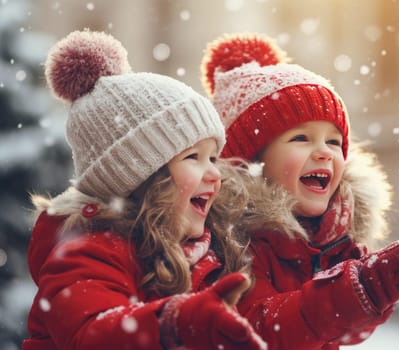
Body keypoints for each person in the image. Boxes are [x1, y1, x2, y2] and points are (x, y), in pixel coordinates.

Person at [23, 30, 266, 350]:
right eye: (193, 157)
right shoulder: (88, 251)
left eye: (213, 158)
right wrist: (176, 323)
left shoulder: (203, 251)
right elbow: (93, 334)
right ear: (139, 176)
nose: (214, 174)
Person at [200, 32, 399, 349]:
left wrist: (372, 294)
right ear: (253, 160)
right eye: (301, 138)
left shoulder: (332, 236)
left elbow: (346, 333)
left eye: (334, 142)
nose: (324, 152)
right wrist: (349, 294)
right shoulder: (235, 239)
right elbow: (258, 328)